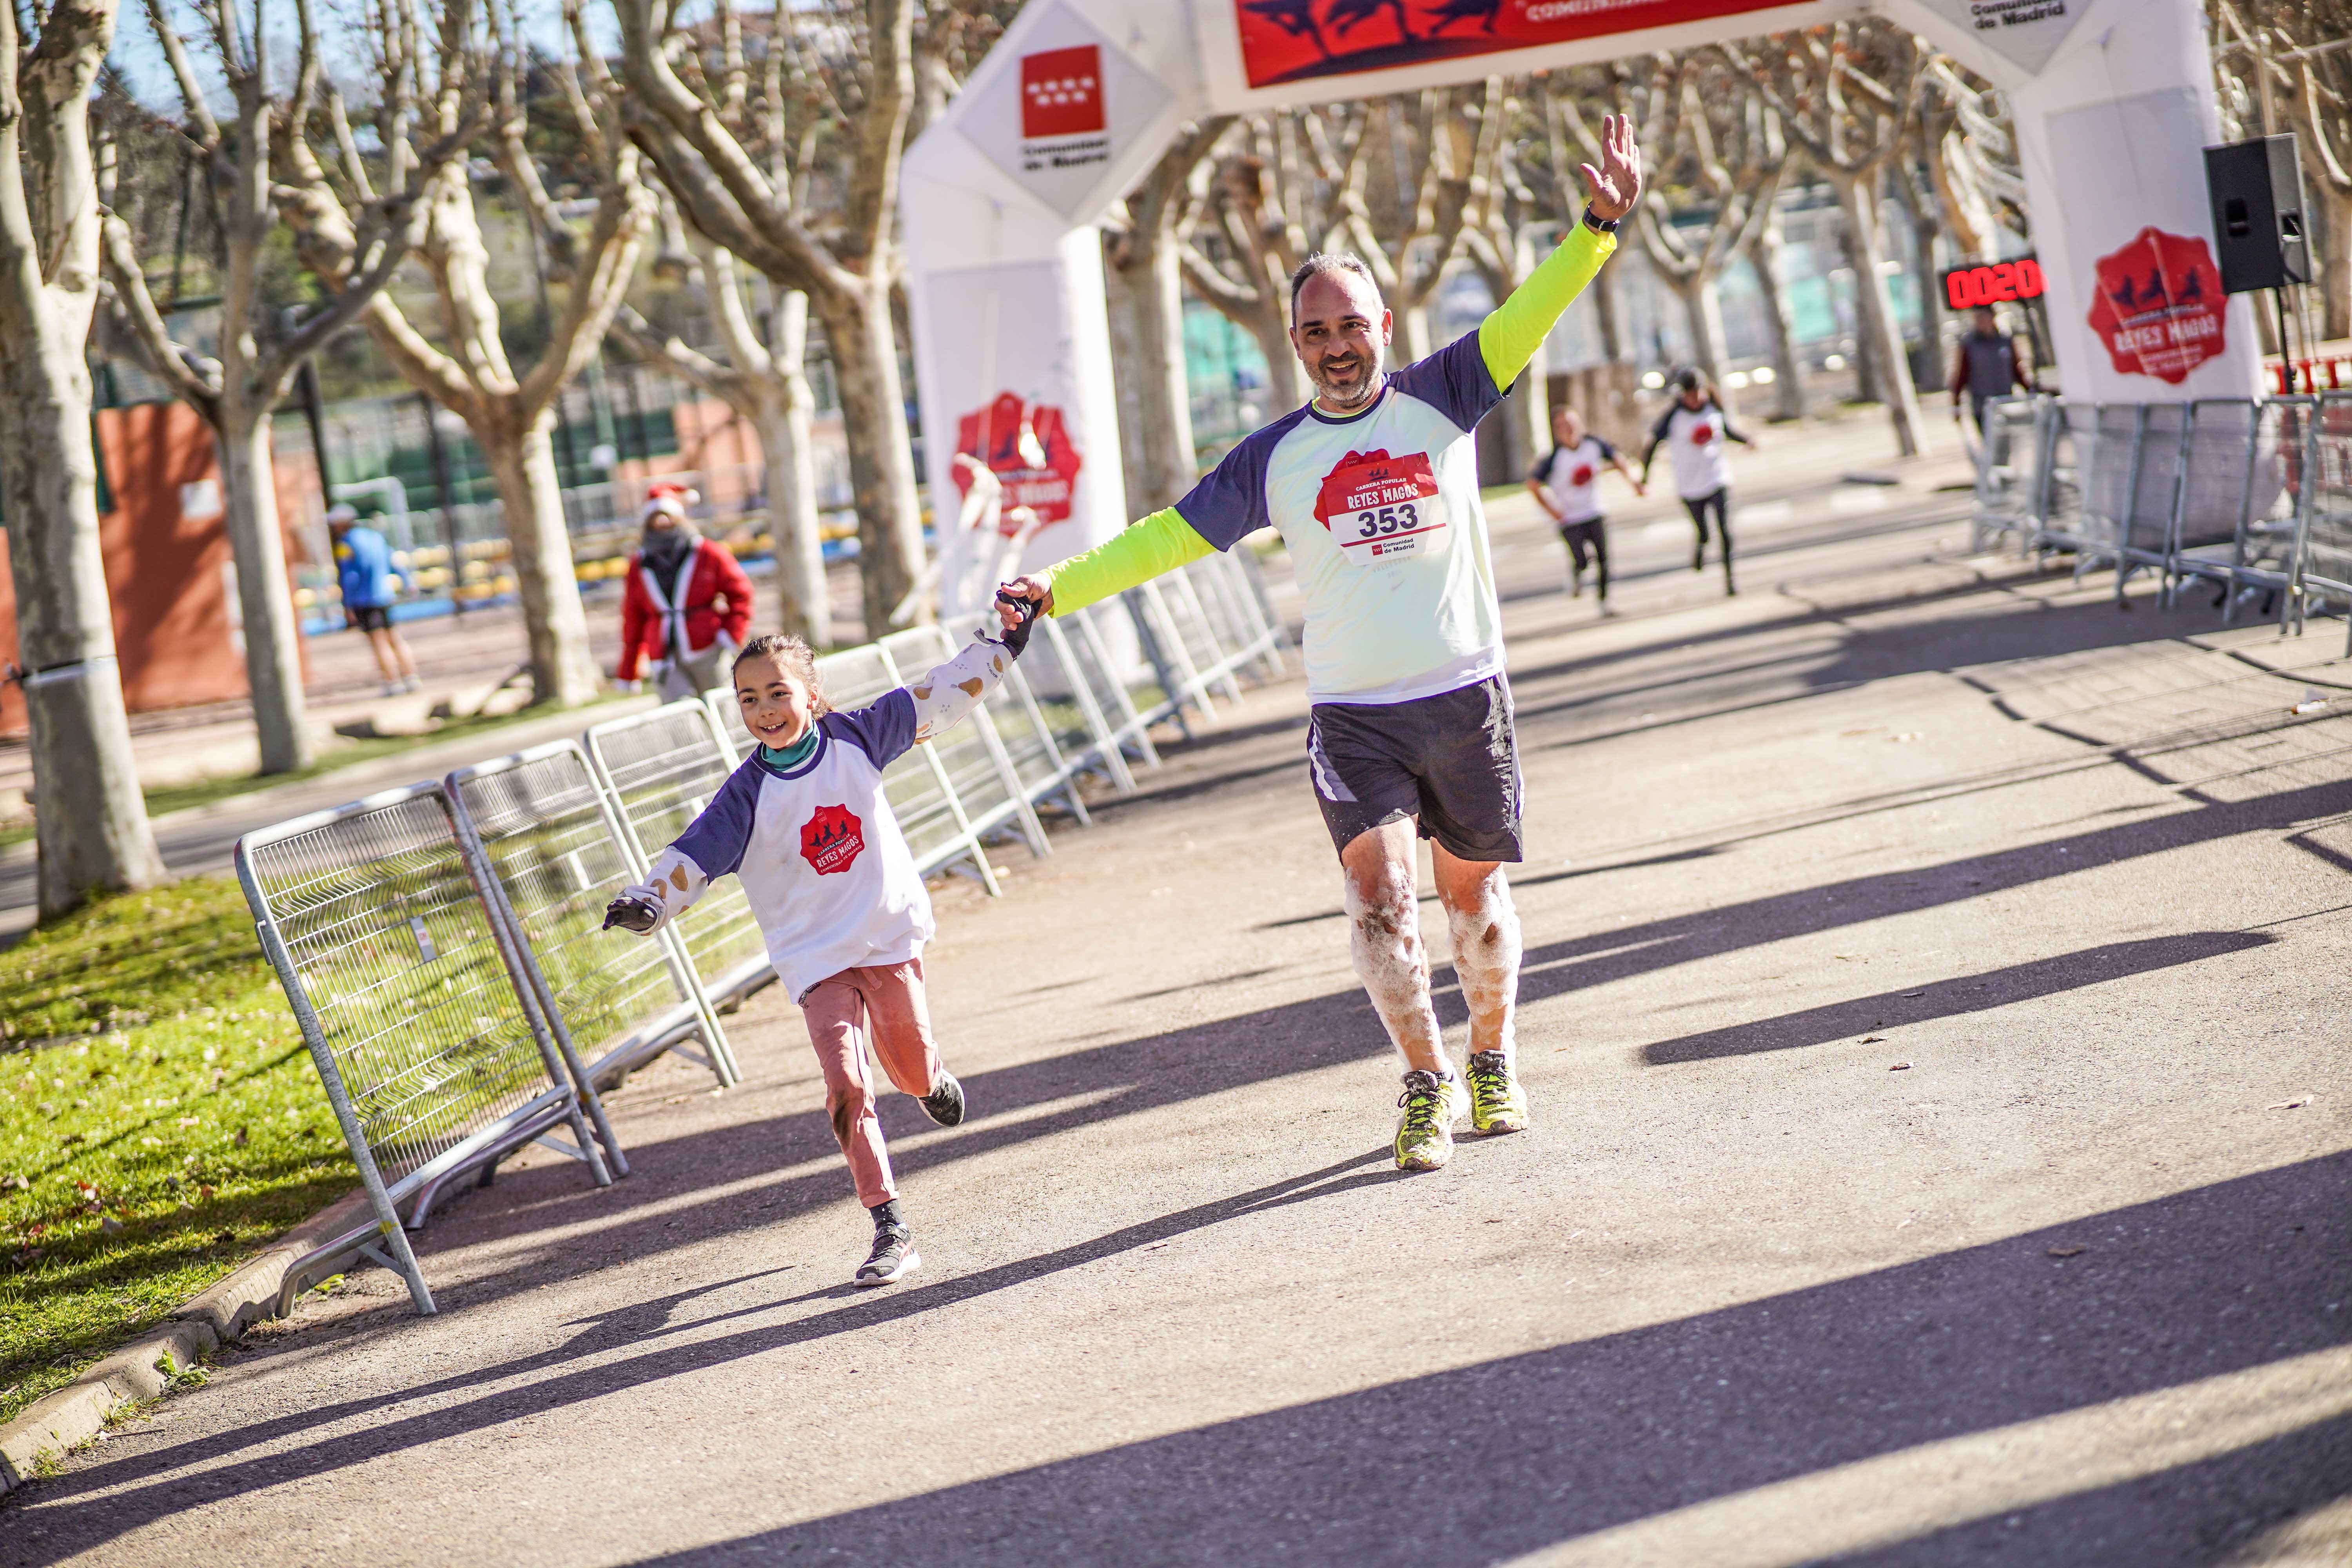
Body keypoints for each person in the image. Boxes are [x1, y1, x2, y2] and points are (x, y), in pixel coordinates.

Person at [997, 115, 1645, 1174]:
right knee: (1382, 901)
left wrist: (1598, 229)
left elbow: (1534, 310)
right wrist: (1055, 589)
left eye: (1351, 325)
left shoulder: (1448, 392)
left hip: (1463, 696)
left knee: (1473, 897)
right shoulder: (1275, 459)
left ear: (1382, 325)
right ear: (1294, 344)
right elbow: (1169, 537)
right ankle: (1425, 1082)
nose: (1337, 347)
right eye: (1316, 333)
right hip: (1352, 717)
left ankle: (1494, 1057)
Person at [603, 605, 1037, 1285]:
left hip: (884, 934)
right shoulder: (745, 795)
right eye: (749, 699)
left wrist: (1003, 646)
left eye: (778, 692)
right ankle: (890, 1225)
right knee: (845, 1084)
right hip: (814, 958)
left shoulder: (859, 737)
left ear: (810, 691)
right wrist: (648, 902)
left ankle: (929, 1080)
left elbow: (943, 694)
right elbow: (693, 856)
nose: (765, 710)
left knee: (913, 1070)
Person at [617, 482, 755, 702]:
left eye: (667, 515)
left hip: (708, 645)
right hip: (664, 654)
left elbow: (741, 593)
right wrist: (629, 669)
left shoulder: (707, 553)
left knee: (724, 707)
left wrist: (731, 635)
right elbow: (633, 618)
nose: (662, 522)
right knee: (679, 717)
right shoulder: (639, 564)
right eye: (655, 517)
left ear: (679, 518)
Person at [1640, 368, 1752, 596]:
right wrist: (1645, 478)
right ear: (1682, 394)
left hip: (1716, 476)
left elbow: (1727, 431)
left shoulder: (1713, 408)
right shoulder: (1673, 417)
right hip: (1689, 484)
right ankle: (1701, 545)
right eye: (1690, 394)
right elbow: (1652, 445)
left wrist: (1746, 440)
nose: (1695, 398)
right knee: (1703, 531)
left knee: (1724, 529)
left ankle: (1730, 579)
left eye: (1698, 392)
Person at [1528, 405, 1643, 611]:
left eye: (1571, 424)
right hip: (1568, 518)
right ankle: (1577, 575)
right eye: (1562, 426)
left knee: (1603, 558)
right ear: (1556, 431)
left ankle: (1604, 602)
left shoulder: (1593, 444)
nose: (1568, 429)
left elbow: (1618, 459)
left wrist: (1634, 482)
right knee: (1581, 560)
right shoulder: (1554, 458)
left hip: (1594, 510)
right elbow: (1533, 485)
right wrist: (1552, 510)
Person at [328, 503, 419, 695]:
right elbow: (394, 561)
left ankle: (392, 681)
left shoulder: (345, 544)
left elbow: (350, 576)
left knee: (379, 642)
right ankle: (412, 677)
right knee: (395, 637)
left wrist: (347, 604)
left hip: (364, 599)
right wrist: (407, 581)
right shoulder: (375, 537)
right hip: (385, 594)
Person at [1949, 305, 2036, 432]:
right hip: (1982, 405)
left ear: (1992, 318)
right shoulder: (1968, 345)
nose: (1981, 322)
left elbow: (2016, 370)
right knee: (1990, 442)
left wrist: (2030, 390)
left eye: (1983, 317)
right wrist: (1956, 405)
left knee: (2008, 440)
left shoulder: (2005, 341)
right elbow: (1961, 376)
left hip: (2005, 401)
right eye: (1978, 319)